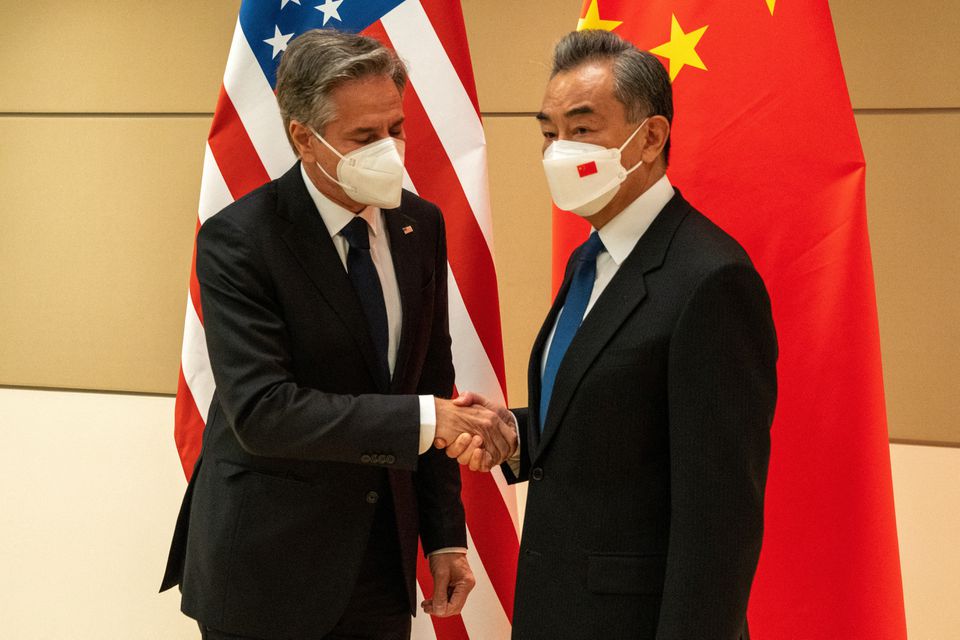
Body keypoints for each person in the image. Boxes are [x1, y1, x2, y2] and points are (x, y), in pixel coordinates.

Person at [160, 29, 516, 640]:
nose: (390, 149)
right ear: (305, 137)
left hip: (379, 564)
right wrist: (427, 419)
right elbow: (264, 411)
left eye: (396, 128)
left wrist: (444, 540)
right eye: (364, 136)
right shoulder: (241, 240)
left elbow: (431, 382)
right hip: (268, 567)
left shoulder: (420, 224)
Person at [448, 30, 778, 639]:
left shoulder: (711, 279)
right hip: (556, 610)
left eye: (582, 128)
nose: (559, 151)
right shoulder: (591, 258)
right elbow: (615, 417)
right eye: (549, 133)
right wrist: (515, 435)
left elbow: (719, 519)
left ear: (650, 138)